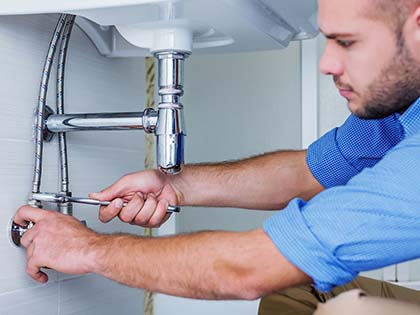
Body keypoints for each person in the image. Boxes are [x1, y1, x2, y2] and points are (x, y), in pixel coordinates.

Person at [13, 0, 420, 313]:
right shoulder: (401, 107)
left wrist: (86, 249)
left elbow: (249, 270)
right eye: (329, 40)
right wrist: (177, 186)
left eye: (348, 42)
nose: (327, 64)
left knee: (341, 310)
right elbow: (307, 171)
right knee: (298, 293)